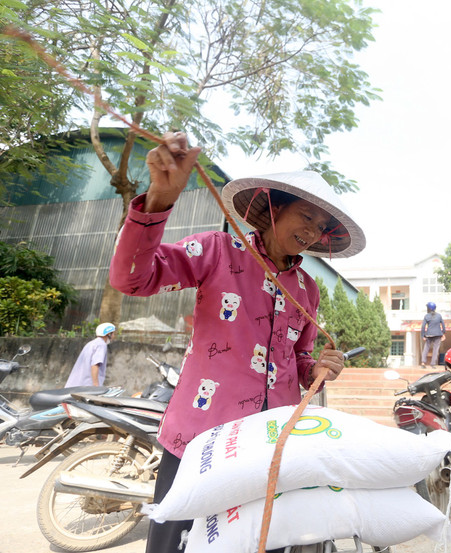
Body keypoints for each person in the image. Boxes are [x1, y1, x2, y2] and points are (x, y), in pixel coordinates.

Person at [108, 132, 365, 553]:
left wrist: (315, 368)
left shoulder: (307, 288)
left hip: (269, 445)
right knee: (178, 544)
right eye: (305, 216)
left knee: (262, 543)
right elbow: (132, 279)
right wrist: (158, 201)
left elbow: (298, 359)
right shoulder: (218, 250)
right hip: (200, 441)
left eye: (320, 227)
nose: (312, 231)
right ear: (275, 209)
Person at [64, 322, 115, 387]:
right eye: (113, 333)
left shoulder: (91, 343)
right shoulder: (101, 345)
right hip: (85, 388)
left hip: (74, 385)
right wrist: (96, 386)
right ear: (108, 334)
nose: (114, 336)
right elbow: (95, 365)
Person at [420, 301, 445, 366]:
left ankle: (423, 362)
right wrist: (443, 333)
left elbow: (423, 326)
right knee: (436, 349)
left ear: (429, 308)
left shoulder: (426, 316)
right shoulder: (439, 315)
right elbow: (443, 325)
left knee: (426, 348)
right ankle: (433, 363)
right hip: (438, 334)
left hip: (429, 334)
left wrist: (423, 335)